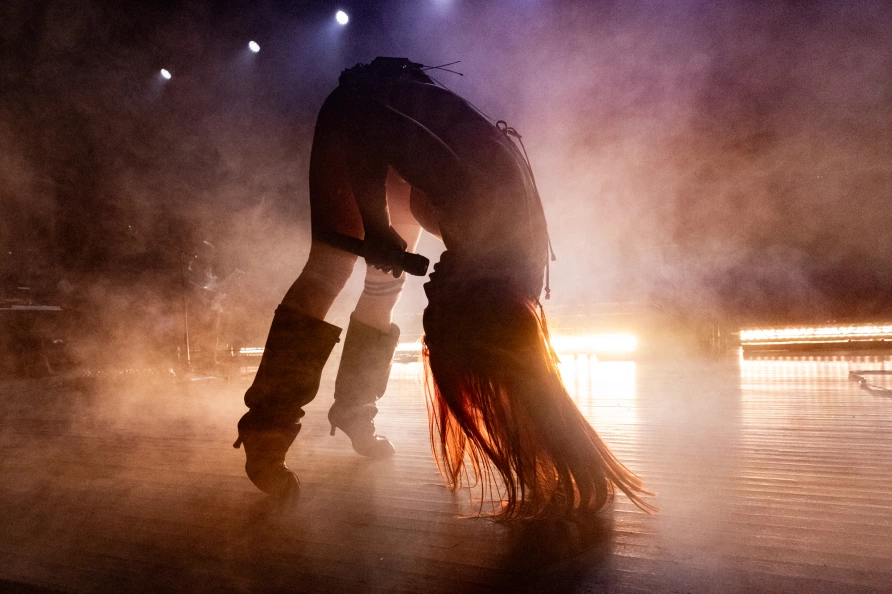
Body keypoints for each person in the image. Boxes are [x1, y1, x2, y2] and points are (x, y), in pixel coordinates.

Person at [234, 57, 655, 519]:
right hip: (360, 112)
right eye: (439, 306)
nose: (429, 289)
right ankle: (266, 432)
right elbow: (370, 129)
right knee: (331, 268)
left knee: (385, 282)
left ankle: (354, 408)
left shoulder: (510, 290)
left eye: (429, 308)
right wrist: (375, 227)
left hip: (409, 149)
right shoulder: (481, 224)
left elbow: (511, 367)